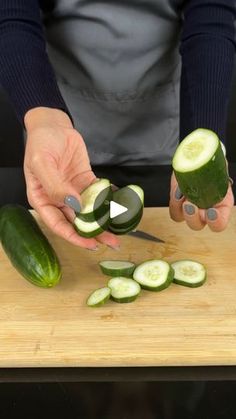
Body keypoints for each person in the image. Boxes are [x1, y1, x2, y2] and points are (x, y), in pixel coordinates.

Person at [0, 0, 235, 250]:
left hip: (163, 123)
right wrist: (44, 118)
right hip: (57, 118)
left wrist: (203, 136)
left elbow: (211, 9)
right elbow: (12, 13)